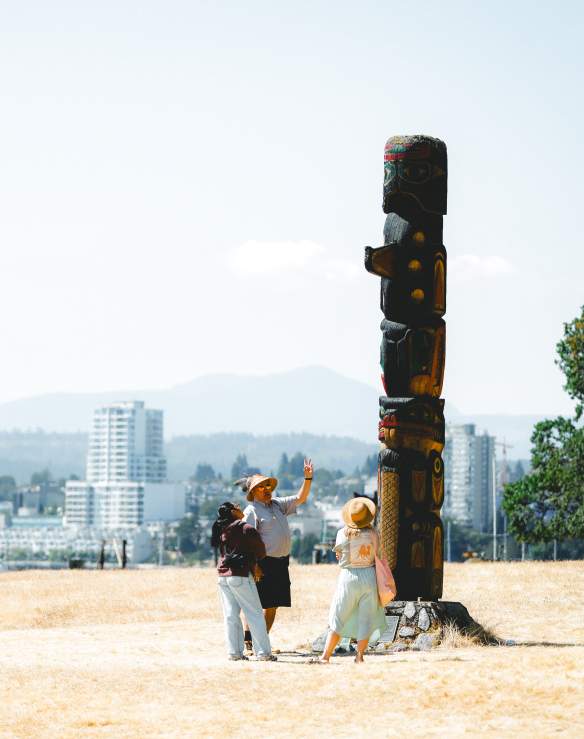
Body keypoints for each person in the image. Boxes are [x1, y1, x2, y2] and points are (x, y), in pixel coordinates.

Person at [237, 458, 314, 645]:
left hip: (280, 562)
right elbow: (247, 542)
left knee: (272, 606)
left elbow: (300, 498)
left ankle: (259, 641)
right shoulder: (251, 511)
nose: (267, 489)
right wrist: (254, 566)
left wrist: (308, 478)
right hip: (263, 564)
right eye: (262, 486)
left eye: (268, 485)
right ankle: (251, 640)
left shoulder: (278, 504)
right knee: (256, 605)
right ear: (253, 491)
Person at [319, 497, 386, 664]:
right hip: (369, 576)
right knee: (366, 618)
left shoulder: (342, 533)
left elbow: (339, 555)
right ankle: (359, 656)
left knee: (338, 616)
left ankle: (326, 656)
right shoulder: (373, 534)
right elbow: (377, 554)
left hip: (348, 577)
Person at [211, 501, 276, 661]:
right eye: (238, 506)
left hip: (223, 575)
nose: (241, 508)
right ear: (233, 512)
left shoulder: (223, 529)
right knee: (254, 613)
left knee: (230, 615)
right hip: (240, 574)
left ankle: (234, 653)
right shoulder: (246, 528)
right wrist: (256, 563)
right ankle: (263, 653)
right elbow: (261, 550)